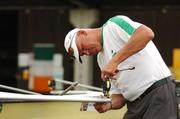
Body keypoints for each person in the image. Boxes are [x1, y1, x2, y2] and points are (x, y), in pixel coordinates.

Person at [64, 15, 177, 119]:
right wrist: (108, 105)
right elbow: (120, 96)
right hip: (135, 104)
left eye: (82, 47)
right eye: (82, 54)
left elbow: (146, 33)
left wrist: (114, 61)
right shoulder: (101, 59)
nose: (86, 53)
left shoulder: (113, 25)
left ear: (82, 33)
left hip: (157, 93)